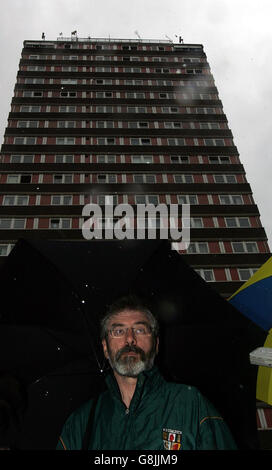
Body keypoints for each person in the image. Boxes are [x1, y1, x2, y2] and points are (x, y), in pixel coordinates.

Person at [56, 295, 237, 450]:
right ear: (105, 347)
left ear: (156, 344)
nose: (130, 339)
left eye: (140, 330)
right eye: (118, 331)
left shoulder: (191, 404)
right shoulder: (82, 422)